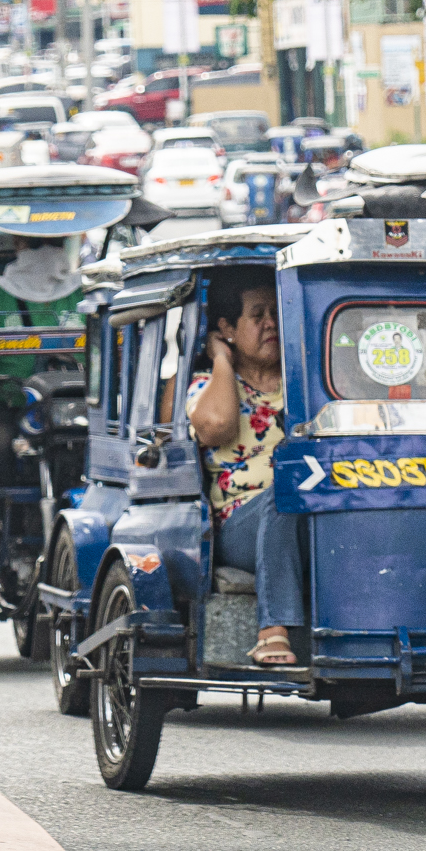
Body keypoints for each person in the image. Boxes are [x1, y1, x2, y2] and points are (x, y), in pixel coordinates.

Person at [0, 230, 92, 631]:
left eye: (52, 243)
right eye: (41, 243)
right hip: (7, 405)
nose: (46, 253)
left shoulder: (88, 295)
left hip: (70, 407)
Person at [189, 267, 306, 668]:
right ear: (227, 327)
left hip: (313, 513)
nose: (271, 323)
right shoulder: (205, 384)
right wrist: (222, 359)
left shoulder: (305, 381)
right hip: (239, 526)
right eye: (257, 316)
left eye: (276, 313)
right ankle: (273, 631)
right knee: (283, 494)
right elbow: (217, 426)